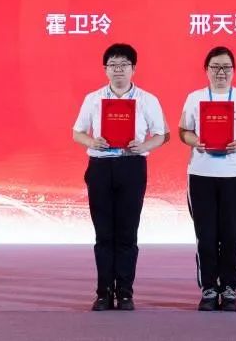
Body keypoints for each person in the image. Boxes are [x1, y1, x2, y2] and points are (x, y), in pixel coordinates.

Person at [72, 43, 169, 311]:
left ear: (133, 68)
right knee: (104, 233)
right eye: (113, 65)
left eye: (124, 65)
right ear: (105, 69)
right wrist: (93, 141)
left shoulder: (147, 99)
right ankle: (103, 292)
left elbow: (162, 135)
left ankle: (125, 292)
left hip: (131, 166)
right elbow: (77, 132)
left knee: (127, 232)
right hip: (101, 167)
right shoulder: (92, 99)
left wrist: (143, 146)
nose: (118, 70)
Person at [179, 46, 236, 312]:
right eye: (215, 67)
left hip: (235, 175)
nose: (221, 72)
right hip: (201, 174)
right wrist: (196, 141)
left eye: (226, 67)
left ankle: (229, 288)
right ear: (206, 70)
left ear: (233, 70)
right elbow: (183, 131)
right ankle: (209, 288)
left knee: (232, 234)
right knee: (205, 235)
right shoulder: (195, 98)